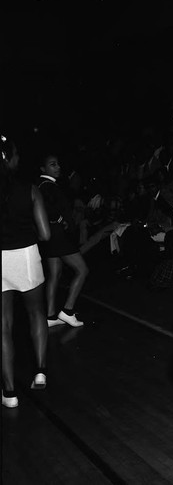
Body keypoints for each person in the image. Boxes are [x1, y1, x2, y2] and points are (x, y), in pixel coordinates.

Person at [2, 135, 51, 408]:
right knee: (36, 314)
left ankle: (9, 393)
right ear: (9, 158)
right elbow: (44, 234)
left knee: (3, 327)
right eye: (17, 155)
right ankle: (41, 371)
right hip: (25, 255)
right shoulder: (30, 189)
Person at [38, 154, 89, 327]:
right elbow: (47, 208)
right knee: (82, 270)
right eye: (53, 164)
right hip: (59, 237)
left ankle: (50, 317)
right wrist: (61, 220)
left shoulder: (46, 185)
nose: (58, 167)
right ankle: (67, 311)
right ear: (43, 169)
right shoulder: (48, 186)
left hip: (51, 238)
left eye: (58, 164)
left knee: (54, 275)